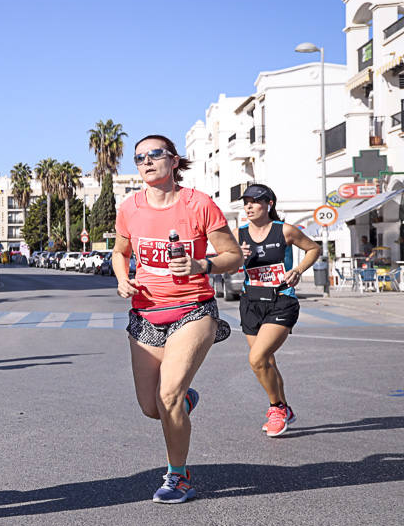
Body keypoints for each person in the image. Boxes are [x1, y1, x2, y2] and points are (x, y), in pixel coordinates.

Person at [112, 134, 242, 504]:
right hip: (145, 313)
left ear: (173, 161)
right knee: (152, 407)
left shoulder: (198, 204)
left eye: (155, 154)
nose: (147, 162)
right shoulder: (130, 208)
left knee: (168, 394)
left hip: (193, 309)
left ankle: (178, 476)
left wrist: (202, 264)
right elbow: (120, 252)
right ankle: (182, 404)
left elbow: (233, 255)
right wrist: (123, 278)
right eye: (139, 158)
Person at [237, 183, 321, 437]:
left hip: (281, 300)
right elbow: (226, 265)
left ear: (269, 204)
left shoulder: (284, 230)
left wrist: (297, 270)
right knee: (267, 360)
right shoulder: (238, 233)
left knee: (257, 359)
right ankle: (285, 408)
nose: (248, 206)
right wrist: (236, 257)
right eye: (246, 202)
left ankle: (276, 408)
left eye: (254, 201)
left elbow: (314, 248)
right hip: (251, 302)